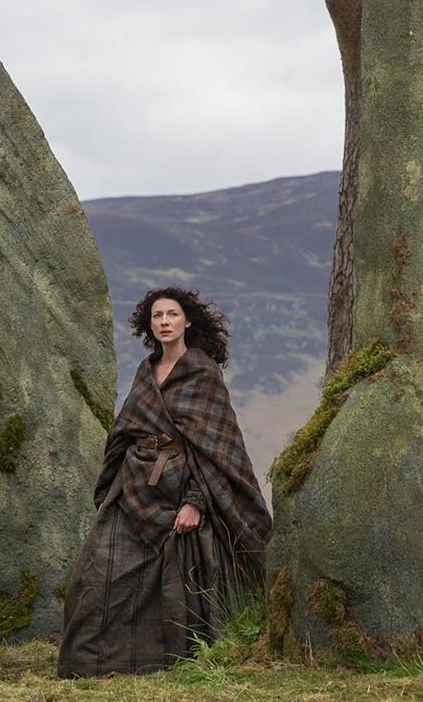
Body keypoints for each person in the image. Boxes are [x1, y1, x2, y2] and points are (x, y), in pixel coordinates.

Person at [58, 286, 271, 677]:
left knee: (180, 579)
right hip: (134, 484)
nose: (165, 322)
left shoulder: (203, 372)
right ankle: (89, 662)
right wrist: (114, 480)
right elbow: (125, 429)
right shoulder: (146, 372)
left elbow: (216, 449)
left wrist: (195, 502)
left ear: (187, 321)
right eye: (157, 316)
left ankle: (170, 659)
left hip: (184, 488)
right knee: (98, 571)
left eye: (172, 314)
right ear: (149, 324)